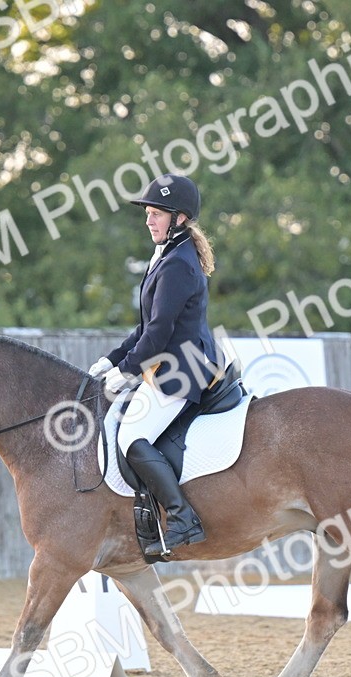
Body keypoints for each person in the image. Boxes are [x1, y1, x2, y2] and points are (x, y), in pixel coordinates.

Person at [87, 174, 219, 557]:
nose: (149, 220)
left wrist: (126, 371)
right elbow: (146, 327)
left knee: (130, 438)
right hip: (170, 364)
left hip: (184, 369)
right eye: (147, 213)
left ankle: (182, 518)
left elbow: (159, 332)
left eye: (156, 213)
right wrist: (112, 360)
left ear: (179, 218)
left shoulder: (178, 263)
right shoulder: (167, 256)